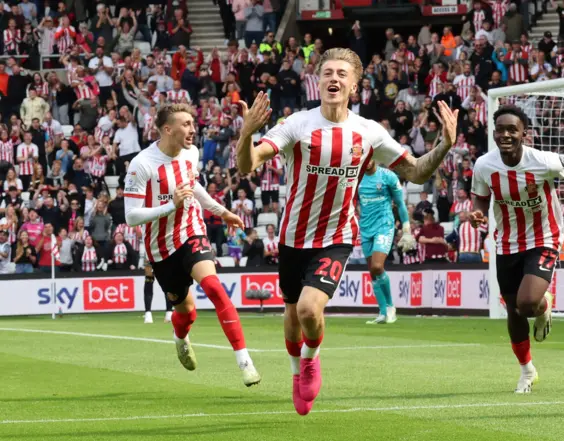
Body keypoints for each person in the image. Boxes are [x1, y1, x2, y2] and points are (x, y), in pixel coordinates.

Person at [236, 47, 459, 415]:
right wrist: (246, 134)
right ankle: (296, 373)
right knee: (292, 316)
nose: (333, 79)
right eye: (327, 72)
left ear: (355, 85)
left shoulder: (368, 132)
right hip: (293, 237)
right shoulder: (296, 124)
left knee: (309, 310)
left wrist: (446, 144)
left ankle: (311, 359)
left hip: (336, 237)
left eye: (342, 73)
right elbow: (248, 164)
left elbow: (417, 172)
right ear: (318, 80)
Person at [124, 103, 261, 386]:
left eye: (192, 123)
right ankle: (180, 336)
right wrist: (169, 206)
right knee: (186, 312)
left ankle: (244, 361)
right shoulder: (141, 164)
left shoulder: (191, 153)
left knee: (213, 287)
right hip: (161, 247)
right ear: (167, 129)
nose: (192, 128)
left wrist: (221, 211)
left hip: (192, 231)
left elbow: (193, 185)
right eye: (185, 124)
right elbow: (131, 216)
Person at [469, 105, 564, 394]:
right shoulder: (484, 165)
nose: (506, 134)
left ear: (525, 133)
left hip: (544, 238)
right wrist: (478, 212)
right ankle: (527, 371)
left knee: (527, 303)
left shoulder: (542, 160)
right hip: (507, 242)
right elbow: (480, 197)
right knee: (514, 310)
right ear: (494, 133)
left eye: (513, 129)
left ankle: (543, 305)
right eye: (501, 130)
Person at [358, 160, 414, 325]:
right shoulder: (356, 178)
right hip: (365, 228)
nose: (367, 162)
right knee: (372, 271)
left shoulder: (388, 176)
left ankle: (390, 307)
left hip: (384, 225)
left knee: (377, 266)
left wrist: (406, 230)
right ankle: (383, 312)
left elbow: (400, 204)